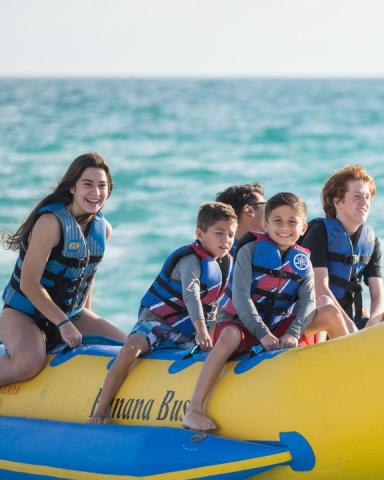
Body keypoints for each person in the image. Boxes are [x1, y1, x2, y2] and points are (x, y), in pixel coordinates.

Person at [182, 192, 350, 431]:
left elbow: (307, 303)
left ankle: (350, 379)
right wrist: (263, 334)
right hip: (239, 325)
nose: (284, 227)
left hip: (277, 328)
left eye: (292, 222)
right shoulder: (249, 251)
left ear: (303, 228)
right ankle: (194, 409)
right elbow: (240, 299)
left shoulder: (302, 261)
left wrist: (293, 333)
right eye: (278, 221)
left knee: (330, 313)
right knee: (229, 336)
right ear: (265, 224)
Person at [88, 202, 237, 423]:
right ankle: (100, 411)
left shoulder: (225, 264)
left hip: (185, 333)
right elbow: (191, 295)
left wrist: (211, 336)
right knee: (130, 350)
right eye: (219, 233)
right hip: (155, 323)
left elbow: (213, 305)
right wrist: (201, 330)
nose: (226, 240)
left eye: (231, 234)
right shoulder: (191, 261)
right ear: (200, 233)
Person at [0, 153, 126, 386]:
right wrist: (63, 324)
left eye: (102, 186)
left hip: (71, 314)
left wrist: (84, 320)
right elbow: (29, 284)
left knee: (127, 349)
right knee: (29, 362)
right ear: (72, 188)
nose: (96, 193)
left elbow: (87, 280)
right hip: (24, 314)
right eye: (87, 184)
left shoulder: (103, 229)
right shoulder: (50, 223)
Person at [301, 165, 384, 331]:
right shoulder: (319, 232)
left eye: (367, 197)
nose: (364, 203)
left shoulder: (370, 241)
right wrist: (350, 328)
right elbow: (320, 288)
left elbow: (378, 296)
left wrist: (373, 323)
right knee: (327, 305)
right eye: (357, 196)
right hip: (322, 320)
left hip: (354, 322)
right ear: (338, 201)